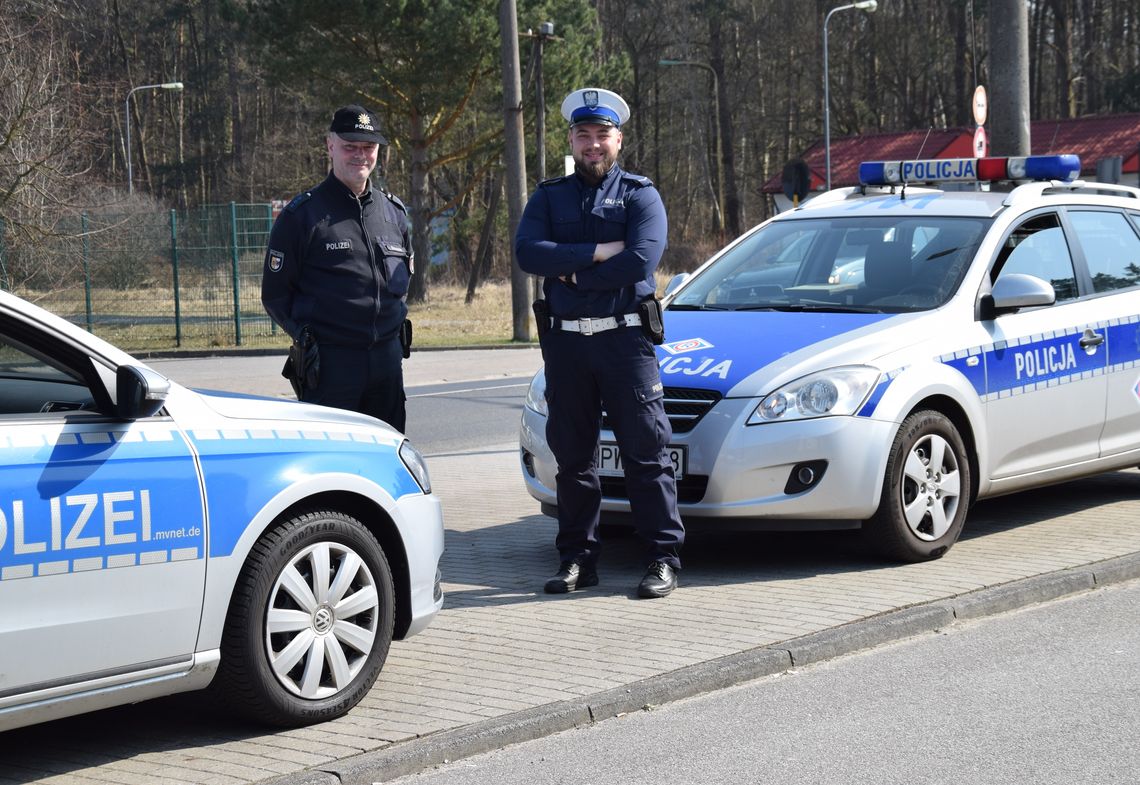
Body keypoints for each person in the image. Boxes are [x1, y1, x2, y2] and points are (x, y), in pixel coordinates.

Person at [515, 87, 685, 599]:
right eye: (583, 135)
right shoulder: (549, 195)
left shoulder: (640, 195)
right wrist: (595, 251)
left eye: (602, 136)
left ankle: (662, 557)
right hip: (566, 347)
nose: (593, 145)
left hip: (625, 343)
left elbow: (640, 261)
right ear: (572, 139)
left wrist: (571, 274)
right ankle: (577, 560)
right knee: (574, 459)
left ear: (618, 140)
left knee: (646, 455)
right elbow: (527, 252)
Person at [262, 104, 413, 432]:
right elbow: (275, 294)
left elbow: (401, 285)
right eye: (350, 146)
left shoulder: (394, 214)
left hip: (387, 364)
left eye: (368, 147)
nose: (360, 155)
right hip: (331, 367)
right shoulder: (302, 216)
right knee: (331, 463)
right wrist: (305, 336)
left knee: (389, 457)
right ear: (330, 146)